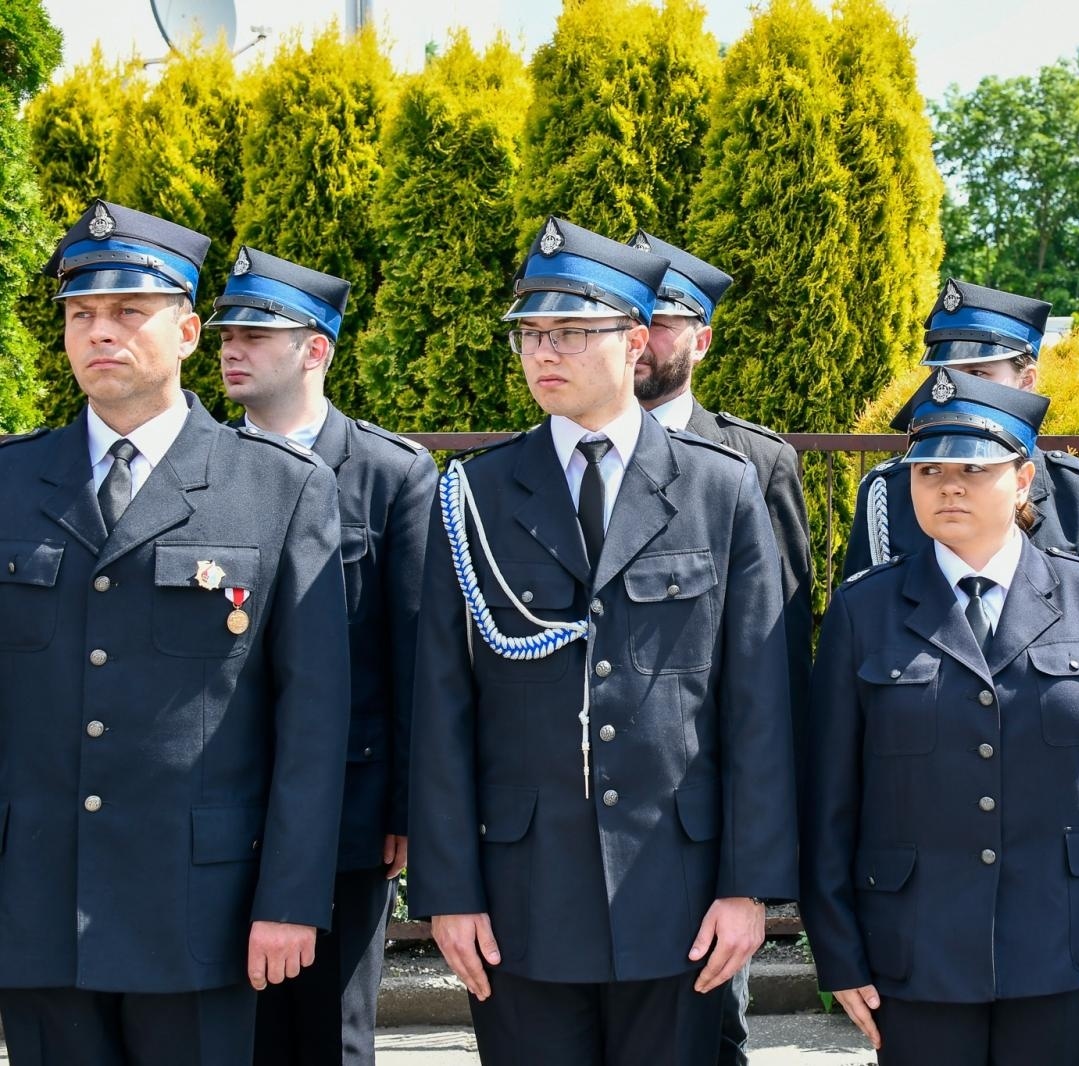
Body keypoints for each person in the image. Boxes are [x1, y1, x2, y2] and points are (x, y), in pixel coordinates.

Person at [406, 217, 798, 1066]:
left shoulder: (719, 488)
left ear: (632, 340)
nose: (545, 352)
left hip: (681, 891)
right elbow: (439, 705)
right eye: (533, 333)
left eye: (573, 333)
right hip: (521, 897)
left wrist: (748, 886)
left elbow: (757, 702)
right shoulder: (474, 491)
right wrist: (447, 891)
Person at [0, 199, 350, 1065]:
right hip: (36, 902)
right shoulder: (10, 481)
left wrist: (292, 899)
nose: (99, 332)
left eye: (128, 312)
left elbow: (312, 721)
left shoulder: (278, 489)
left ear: (190, 332)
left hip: (200, 910)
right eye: (81, 315)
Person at [803, 368, 1079, 1066]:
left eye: (974, 468)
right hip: (914, 952)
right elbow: (829, 801)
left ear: (1024, 478)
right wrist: (840, 955)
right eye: (929, 468)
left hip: (1065, 952)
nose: (948, 486)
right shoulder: (864, 611)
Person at [206, 246, 438, 1066]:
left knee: (331, 1037)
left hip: (348, 804)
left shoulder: (390, 472)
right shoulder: (198, 467)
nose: (232, 348)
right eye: (228, 332)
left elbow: (415, 656)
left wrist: (408, 810)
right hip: (214, 808)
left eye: (258, 334)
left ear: (317, 349)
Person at [627, 228, 813, 1066]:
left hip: (703, 824)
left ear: (702, 338)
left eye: (664, 320)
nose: (644, 336)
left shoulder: (753, 461)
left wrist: (764, 844)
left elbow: (776, 665)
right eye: (634, 316)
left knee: (711, 1029)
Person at [842, 279, 1079, 591]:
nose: (957, 390)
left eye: (979, 374)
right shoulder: (888, 490)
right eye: (942, 375)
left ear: (1027, 380)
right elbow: (864, 619)